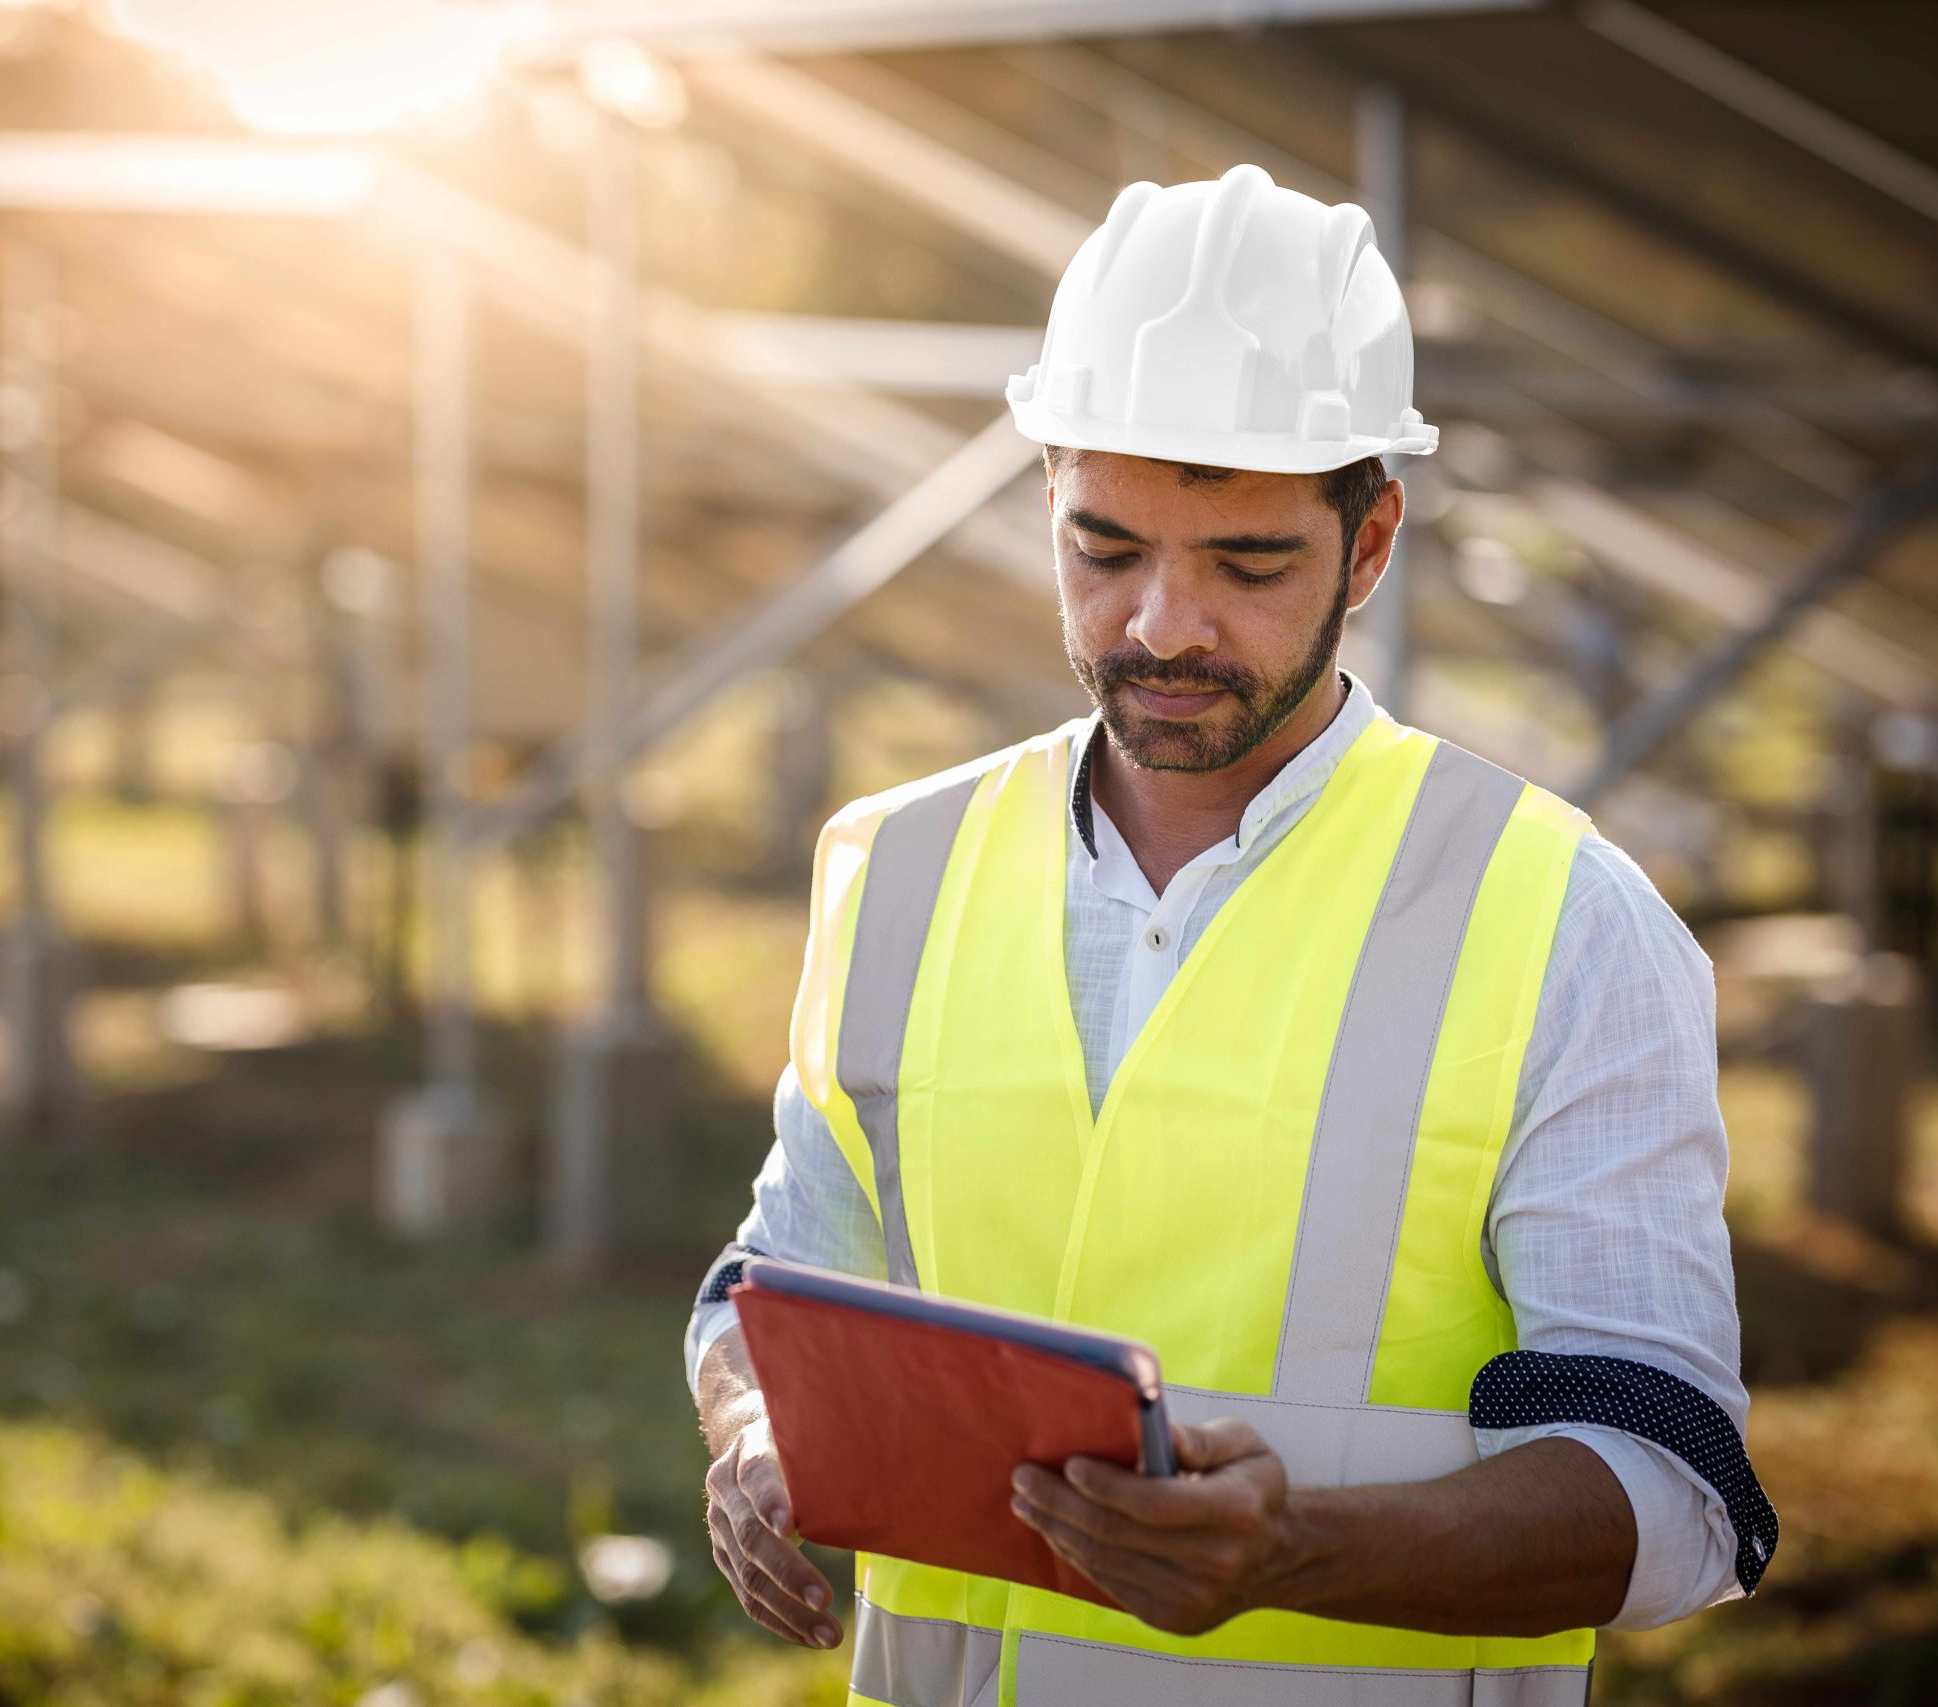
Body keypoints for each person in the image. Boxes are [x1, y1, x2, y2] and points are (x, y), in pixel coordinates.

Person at [683, 164, 1775, 1706]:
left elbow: (1671, 1482)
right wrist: (752, 1426)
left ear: (1370, 542)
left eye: (1248, 563)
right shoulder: (899, 866)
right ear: (1046, 502)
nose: (1161, 626)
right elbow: (774, 1277)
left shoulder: (1561, 919)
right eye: (1104, 549)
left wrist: (1294, 1554)